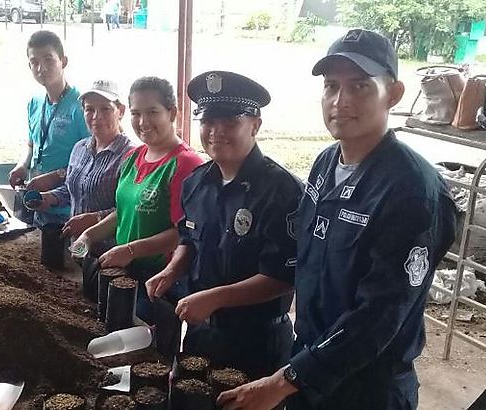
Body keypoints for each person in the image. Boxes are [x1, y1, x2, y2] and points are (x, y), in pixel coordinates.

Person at [217, 29, 457, 410]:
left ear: (393, 94)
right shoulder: (326, 163)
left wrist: (286, 380)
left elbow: (379, 316)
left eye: (360, 86)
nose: (340, 101)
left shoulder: (413, 191)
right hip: (308, 370)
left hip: (366, 388)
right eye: (331, 86)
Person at [146, 71, 302, 380]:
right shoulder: (196, 182)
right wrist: (172, 269)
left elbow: (283, 278)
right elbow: (189, 238)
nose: (216, 132)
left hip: (256, 342)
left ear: (255, 125)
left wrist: (215, 298)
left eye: (230, 121)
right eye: (207, 121)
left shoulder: (282, 191)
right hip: (201, 333)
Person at [73, 77, 205, 323]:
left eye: (152, 112)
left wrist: (132, 250)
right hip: (125, 269)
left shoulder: (186, 164)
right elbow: (123, 212)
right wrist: (89, 236)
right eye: (136, 113)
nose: (143, 122)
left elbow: (182, 233)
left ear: (172, 113)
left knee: (148, 348)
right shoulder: (134, 157)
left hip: (159, 278)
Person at [37, 79, 136, 248]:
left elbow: (131, 209)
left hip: (109, 254)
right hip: (77, 247)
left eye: (105, 109)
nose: (97, 117)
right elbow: (73, 190)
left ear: (120, 111)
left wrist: (94, 220)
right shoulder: (79, 148)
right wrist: (49, 198)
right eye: (90, 109)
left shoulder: (130, 155)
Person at [9, 30, 90, 227]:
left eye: (49, 60)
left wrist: (55, 177)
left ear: (63, 61)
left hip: (70, 208)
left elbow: (93, 160)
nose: (41, 68)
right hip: (38, 205)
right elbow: (32, 144)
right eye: (34, 62)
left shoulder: (82, 106)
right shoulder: (34, 103)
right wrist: (23, 165)